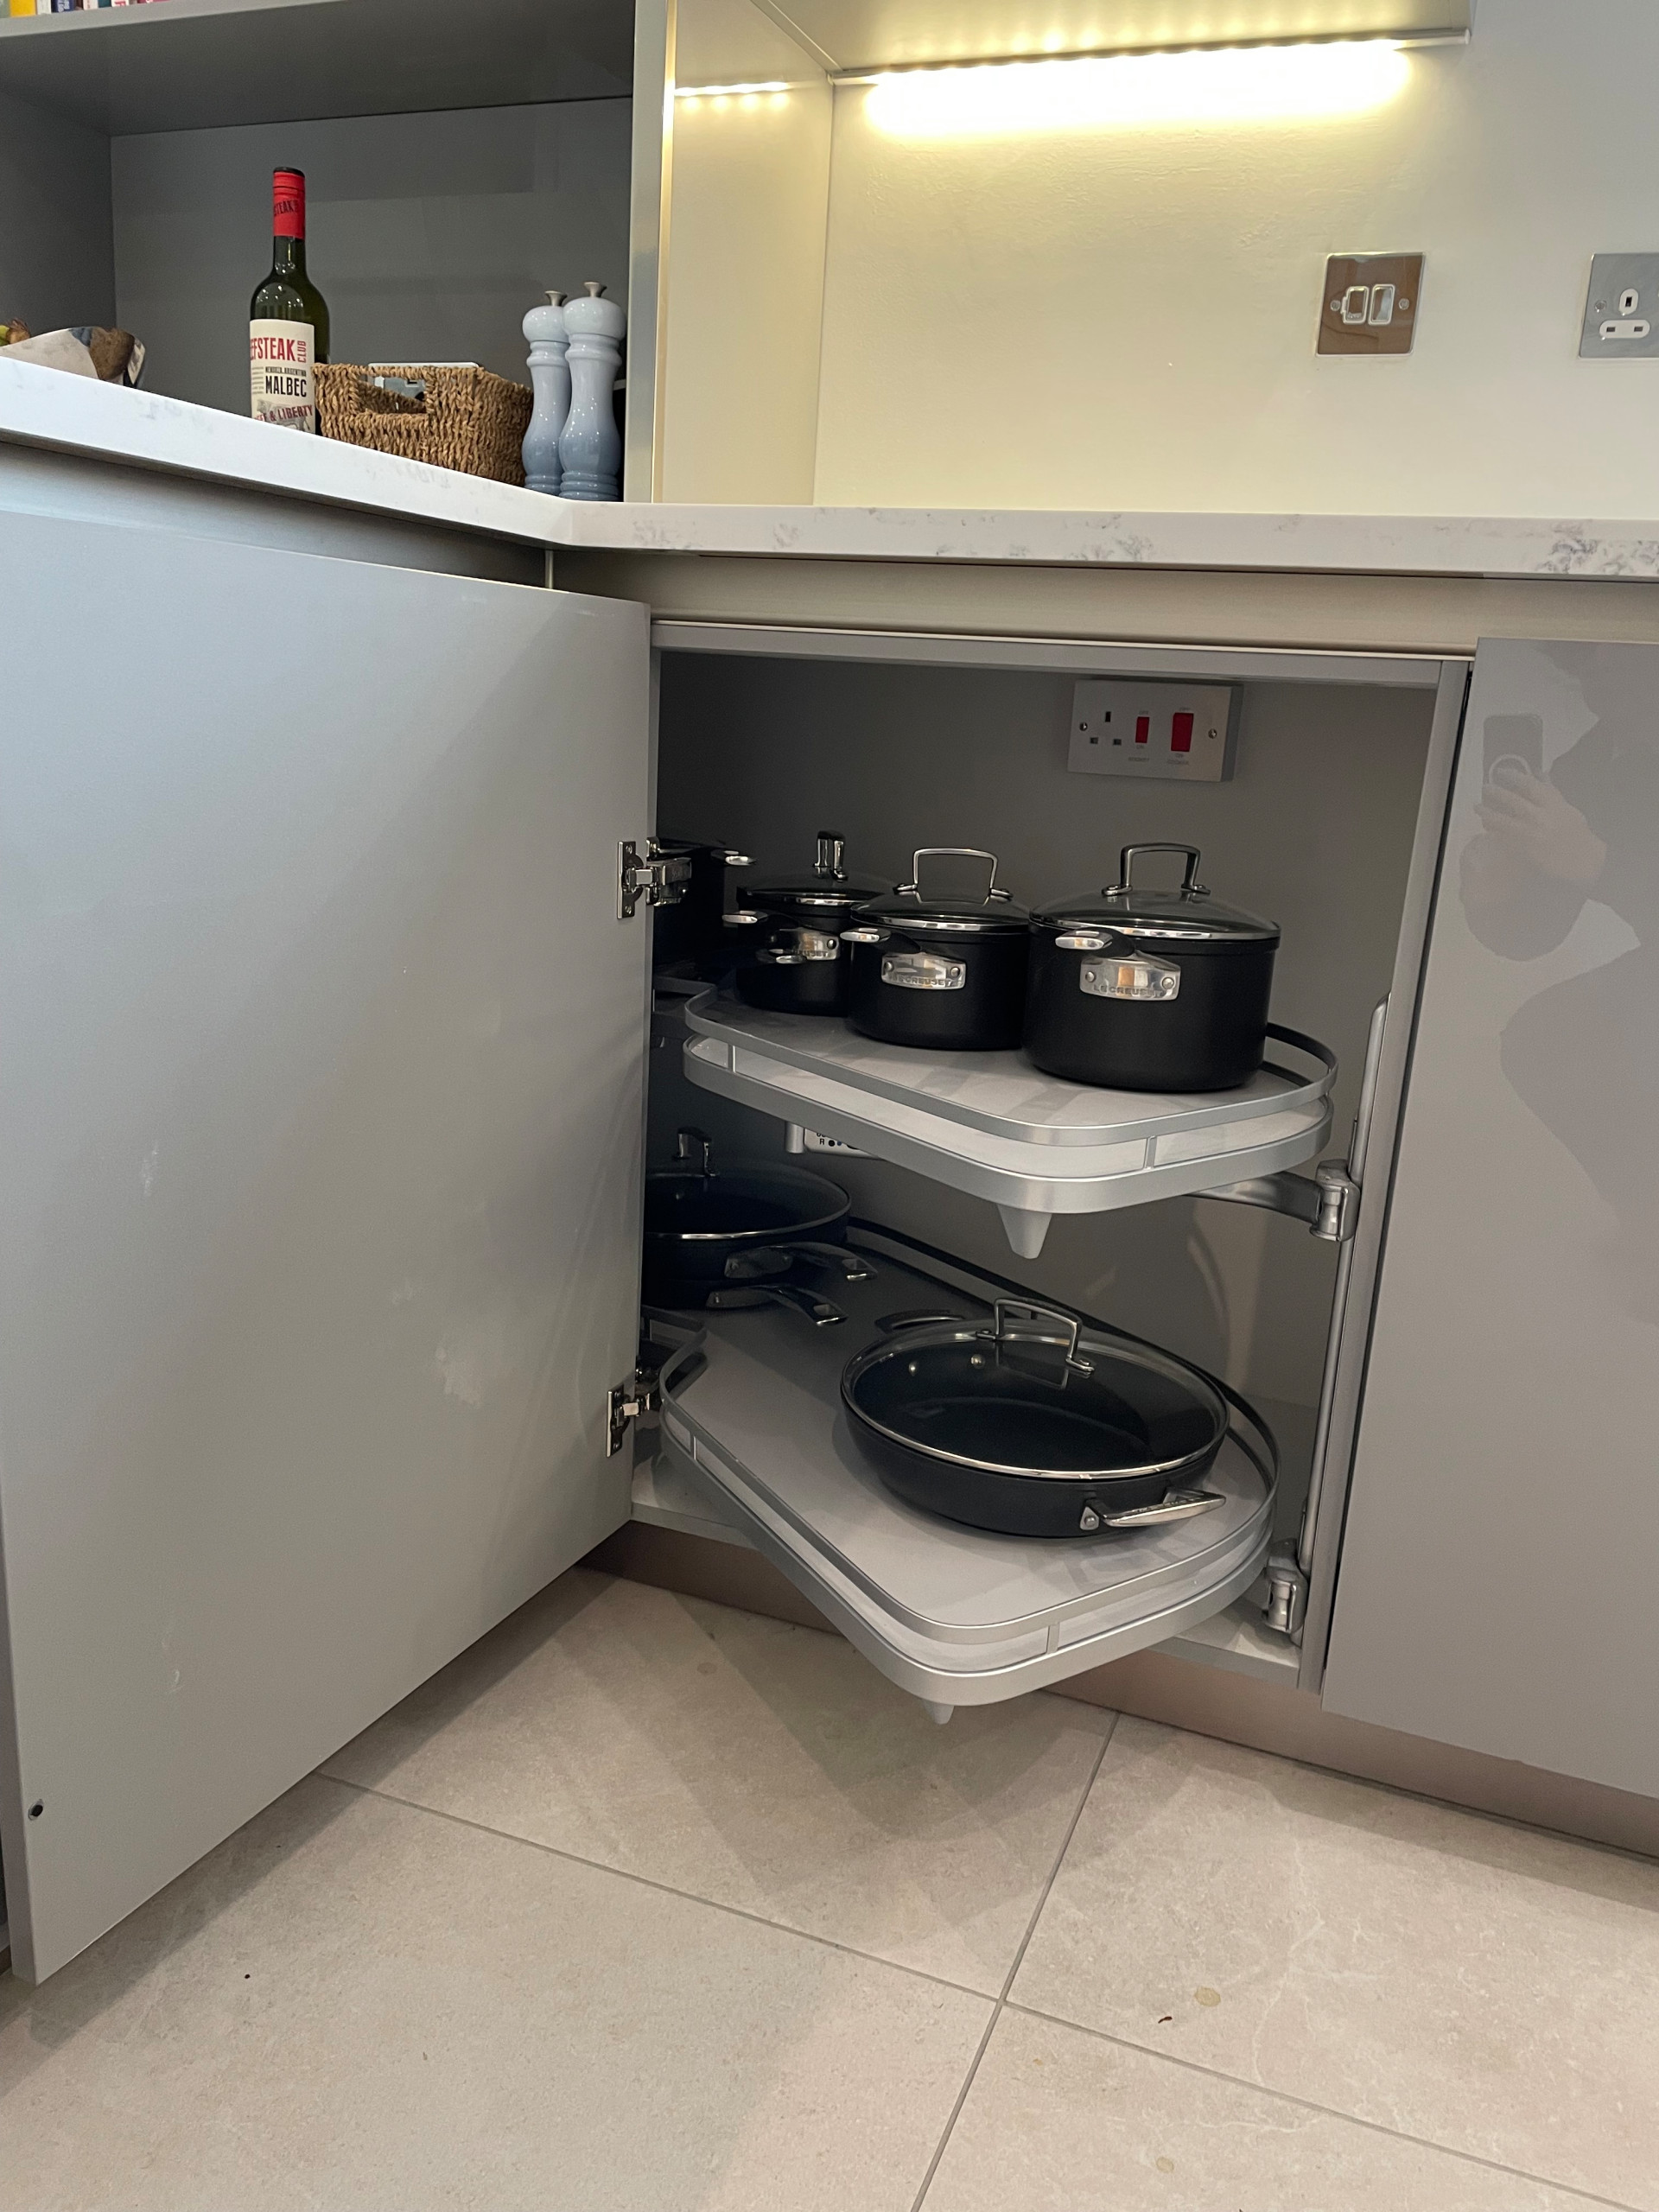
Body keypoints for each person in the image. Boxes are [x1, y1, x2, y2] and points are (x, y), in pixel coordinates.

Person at [1460, 645, 1659, 1319]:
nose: (1592, 672)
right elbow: (1532, 931)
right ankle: (1645, 1221)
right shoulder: (1599, 758)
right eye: (1585, 661)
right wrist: (1494, 893)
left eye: (1614, 661)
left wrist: (1600, 863)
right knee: (1546, 1038)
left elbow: (1592, 868)